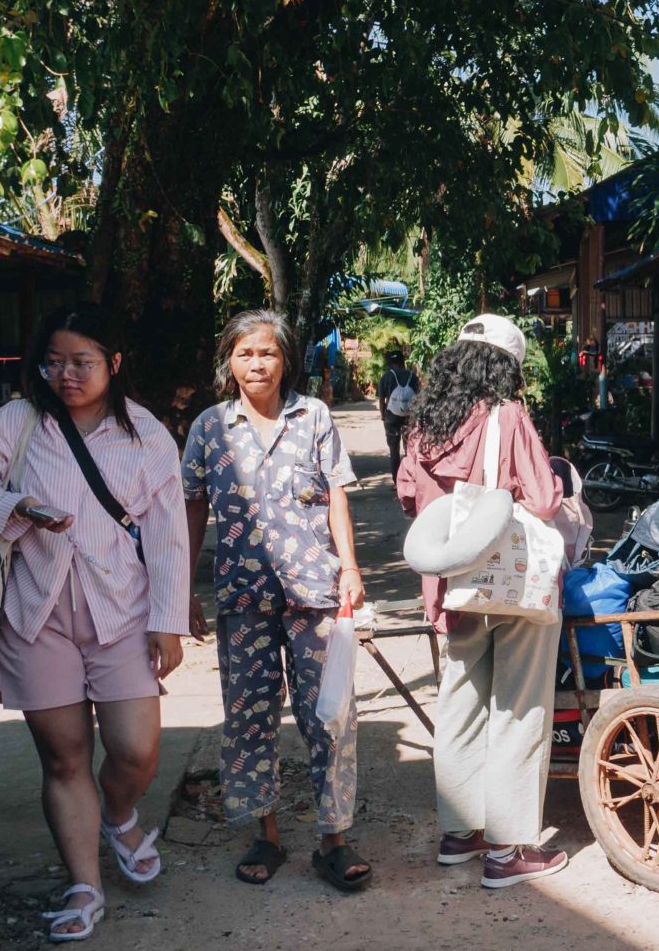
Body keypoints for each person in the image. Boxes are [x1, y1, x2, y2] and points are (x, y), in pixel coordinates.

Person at [0, 305, 191, 943]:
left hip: (123, 614)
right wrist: (13, 505)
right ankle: (84, 883)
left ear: (114, 363)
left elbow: (166, 536)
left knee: (136, 748)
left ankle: (120, 813)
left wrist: (168, 620)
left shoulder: (146, 434)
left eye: (82, 362)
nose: (66, 375)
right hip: (34, 612)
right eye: (54, 361)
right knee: (64, 756)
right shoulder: (16, 423)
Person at [183, 311, 371, 892]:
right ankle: (265, 834)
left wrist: (351, 568)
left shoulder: (312, 416)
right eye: (244, 354)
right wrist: (183, 586)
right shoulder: (209, 428)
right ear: (228, 362)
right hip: (241, 596)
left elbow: (337, 493)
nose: (257, 364)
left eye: (267, 353)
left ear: (285, 358)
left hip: (314, 591)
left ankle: (333, 841)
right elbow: (193, 507)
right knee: (248, 718)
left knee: (330, 715)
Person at [395, 315, 571, 888]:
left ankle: (460, 834)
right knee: (518, 708)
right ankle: (507, 850)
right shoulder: (507, 417)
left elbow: (408, 500)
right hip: (510, 588)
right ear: (507, 367)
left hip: (451, 586)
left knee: (460, 703)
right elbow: (543, 498)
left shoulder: (420, 425)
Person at [376, 347, 420, 471]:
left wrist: (383, 415)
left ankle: (396, 481)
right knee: (409, 448)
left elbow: (381, 400)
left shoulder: (386, 377)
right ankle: (410, 477)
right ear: (403, 362)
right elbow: (419, 397)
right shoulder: (412, 376)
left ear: (390, 363)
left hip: (391, 417)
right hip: (409, 417)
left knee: (394, 449)